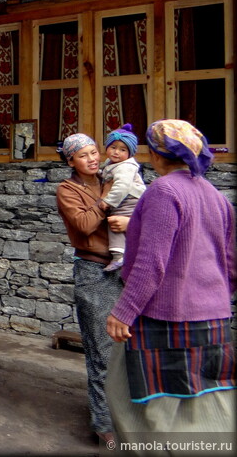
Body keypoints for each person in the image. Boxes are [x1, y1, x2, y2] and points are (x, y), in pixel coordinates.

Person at [105, 120, 235, 449]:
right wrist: (212, 297)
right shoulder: (217, 197)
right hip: (214, 324)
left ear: (157, 155)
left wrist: (123, 311)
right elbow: (231, 263)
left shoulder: (164, 191)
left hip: (163, 320)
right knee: (205, 407)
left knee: (134, 404)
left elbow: (151, 263)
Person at [55, 133, 128, 444]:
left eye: (94, 152)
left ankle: (129, 417)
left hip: (126, 267)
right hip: (93, 271)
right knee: (102, 352)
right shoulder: (67, 189)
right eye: (83, 155)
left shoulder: (114, 174)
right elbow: (84, 225)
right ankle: (104, 425)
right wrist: (107, 200)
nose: (93, 158)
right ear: (71, 160)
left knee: (130, 349)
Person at [97, 124, 146, 272]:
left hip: (130, 199)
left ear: (130, 153)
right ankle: (120, 255)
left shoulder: (126, 167)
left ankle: (119, 256)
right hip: (123, 199)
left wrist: (108, 201)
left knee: (116, 222)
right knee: (116, 223)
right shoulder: (112, 164)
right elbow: (108, 175)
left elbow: (122, 186)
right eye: (113, 147)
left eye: (122, 149)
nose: (116, 152)